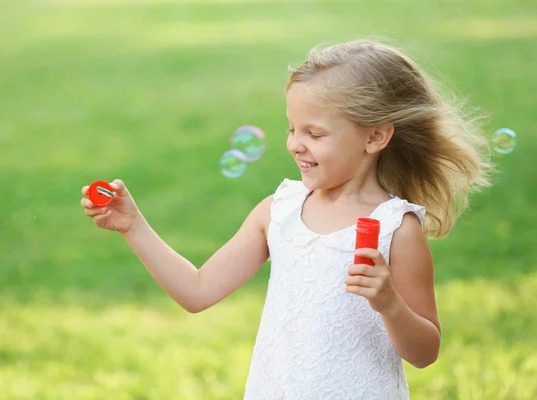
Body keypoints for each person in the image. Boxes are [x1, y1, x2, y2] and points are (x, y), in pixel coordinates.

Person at [80, 39, 493, 399]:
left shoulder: (396, 230)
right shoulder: (279, 211)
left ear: (375, 136)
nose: (296, 144)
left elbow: (425, 353)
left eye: (315, 134)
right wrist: (133, 226)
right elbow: (197, 291)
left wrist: (389, 304)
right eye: (292, 128)